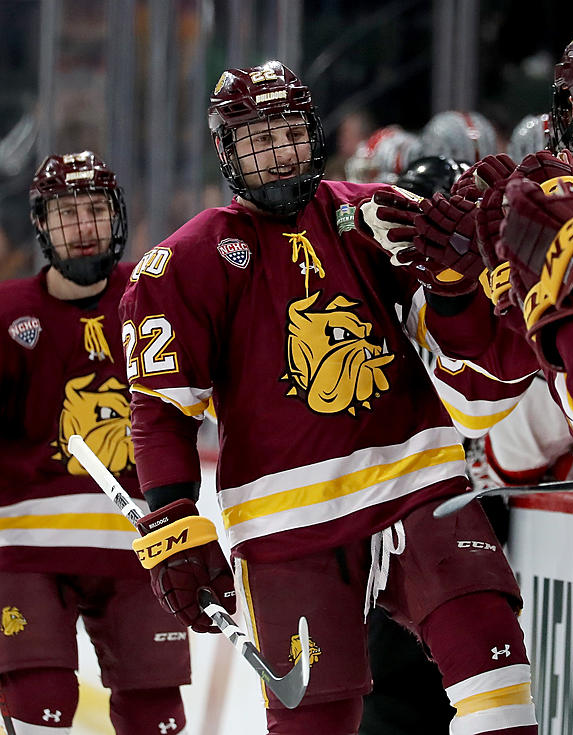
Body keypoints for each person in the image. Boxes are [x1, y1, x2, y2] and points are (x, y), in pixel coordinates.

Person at [119, 61, 536, 735]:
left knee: (500, 675)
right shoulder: (187, 263)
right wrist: (173, 520)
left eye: (290, 134)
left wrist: (462, 284)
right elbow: (163, 409)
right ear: (228, 151)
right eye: (260, 139)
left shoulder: (374, 215)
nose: (280, 153)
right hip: (289, 527)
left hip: (418, 488)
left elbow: (463, 355)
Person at [0, 152, 191, 733]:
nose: (83, 227)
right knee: (42, 703)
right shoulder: (7, 315)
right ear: (42, 225)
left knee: (157, 715)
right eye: (67, 213)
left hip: (141, 550)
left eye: (95, 210)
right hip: (27, 552)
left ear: (117, 217)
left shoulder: (153, 294)